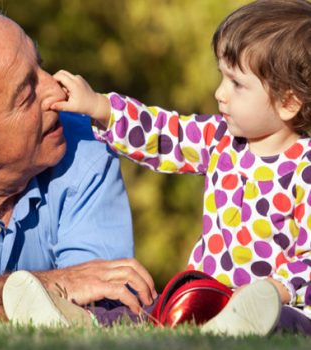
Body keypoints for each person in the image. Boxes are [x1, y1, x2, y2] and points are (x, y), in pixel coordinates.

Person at [49, 0, 311, 336]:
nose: (220, 94)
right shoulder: (220, 139)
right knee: (147, 308)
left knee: (286, 322)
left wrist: (280, 289)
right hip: (206, 297)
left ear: (288, 102)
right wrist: (101, 107)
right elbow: (163, 134)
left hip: (280, 307)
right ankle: (77, 317)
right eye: (222, 77)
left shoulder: (304, 168)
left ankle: (244, 324)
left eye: (237, 84)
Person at [0, 7, 157, 325]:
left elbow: (104, 313)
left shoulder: (86, 147)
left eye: (40, 65)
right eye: (26, 96)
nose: (57, 91)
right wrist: (56, 283)